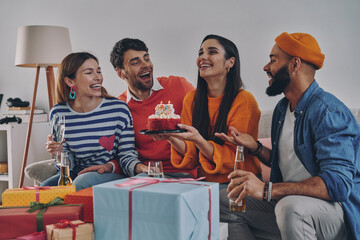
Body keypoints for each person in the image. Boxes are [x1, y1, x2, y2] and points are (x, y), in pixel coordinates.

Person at [216, 32, 360, 240]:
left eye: (273, 60)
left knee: (290, 207)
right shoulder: (283, 110)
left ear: (294, 65)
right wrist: (255, 148)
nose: (266, 67)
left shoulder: (329, 112)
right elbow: (290, 163)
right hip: (290, 204)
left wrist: (267, 189)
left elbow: (338, 184)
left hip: (337, 212)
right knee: (224, 201)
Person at [161, 34, 262, 188]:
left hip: (239, 184)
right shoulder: (192, 99)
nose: (203, 57)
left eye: (212, 52)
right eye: (200, 53)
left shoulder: (245, 101)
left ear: (230, 62)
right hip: (205, 184)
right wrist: (169, 136)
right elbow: (192, 156)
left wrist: (199, 140)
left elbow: (233, 159)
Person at [43, 52, 147, 190]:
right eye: (89, 73)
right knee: (44, 189)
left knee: (82, 182)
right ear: (70, 81)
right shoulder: (58, 113)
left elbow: (127, 154)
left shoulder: (118, 109)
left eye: (98, 71)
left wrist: (143, 169)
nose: (98, 77)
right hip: (75, 174)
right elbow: (67, 166)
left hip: (109, 174)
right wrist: (59, 152)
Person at [110, 38, 196, 178]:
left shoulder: (179, 86)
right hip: (146, 173)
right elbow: (123, 151)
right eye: (136, 62)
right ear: (120, 73)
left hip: (185, 172)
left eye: (147, 59)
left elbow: (205, 125)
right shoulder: (120, 106)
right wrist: (111, 164)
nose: (146, 65)